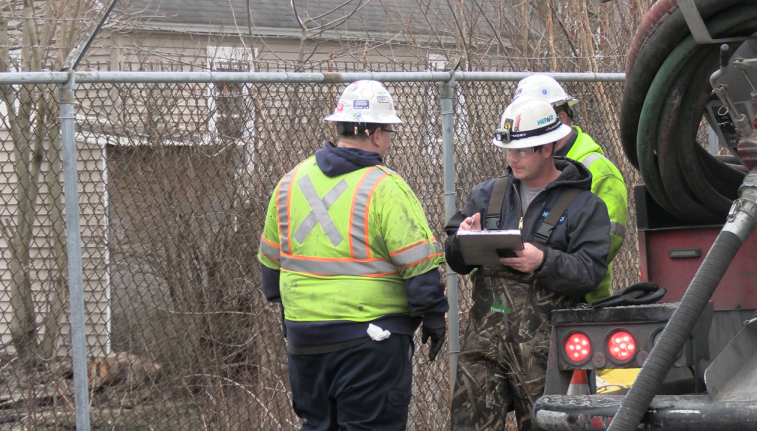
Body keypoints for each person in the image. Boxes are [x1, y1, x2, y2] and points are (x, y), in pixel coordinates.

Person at [257, 80, 449, 431]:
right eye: (389, 131)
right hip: (371, 342)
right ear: (376, 134)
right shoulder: (385, 187)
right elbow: (419, 268)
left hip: (305, 341)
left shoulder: (290, 181)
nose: (389, 140)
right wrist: (434, 316)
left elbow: (271, 273)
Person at [445, 96, 612, 430]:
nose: (511, 158)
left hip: (545, 353)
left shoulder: (584, 206)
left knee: (545, 425)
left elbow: (591, 272)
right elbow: (454, 256)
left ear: (547, 148)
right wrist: (462, 240)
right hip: (483, 343)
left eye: (521, 151)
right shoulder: (487, 195)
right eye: (508, 150)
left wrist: (544, 261)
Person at [513, 75, 628, 302]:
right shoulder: (525, 168)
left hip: (581, 302)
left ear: (561, 119)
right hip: (523, 308)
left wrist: (543, 261)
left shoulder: (597, 169)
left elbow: (605, 243)